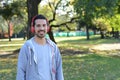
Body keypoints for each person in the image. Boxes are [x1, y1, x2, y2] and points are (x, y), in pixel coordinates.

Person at [16, 14, 64, 80]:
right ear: (33, 28)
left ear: (47, 27)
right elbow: (21, 71)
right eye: (38, 26)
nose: (41, 28)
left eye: (44, 25)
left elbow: (59, 70)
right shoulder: (27, 47)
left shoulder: (53, 48)